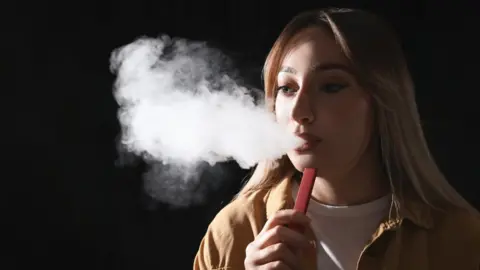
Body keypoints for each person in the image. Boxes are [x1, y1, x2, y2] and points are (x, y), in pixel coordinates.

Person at [193, 8, 480, 270]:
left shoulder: (458, 239)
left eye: (331, 86)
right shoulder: (235, 230)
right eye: (287, 88)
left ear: (382, 103)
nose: (300, 112)